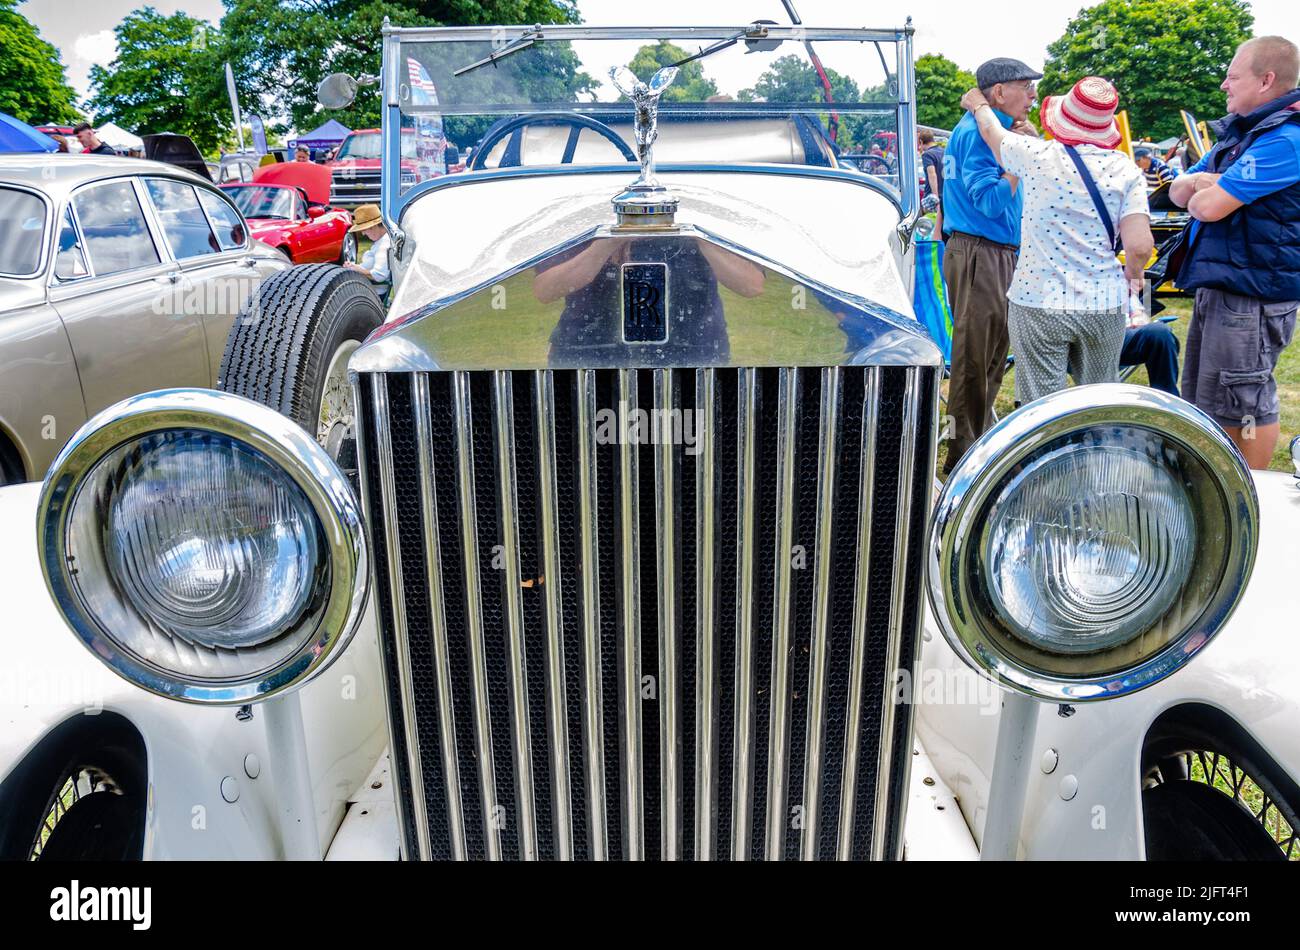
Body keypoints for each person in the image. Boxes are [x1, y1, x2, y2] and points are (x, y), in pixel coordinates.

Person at [960, 75, 1154, 406]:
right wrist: (1133, 275)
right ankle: (1093, 454)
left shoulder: (1037, 155)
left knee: (1041, 407)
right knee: (1098, 401)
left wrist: (978, 104)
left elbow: (994, 135)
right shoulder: (1126, 170)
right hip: (1102, 301)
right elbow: (1139, 245)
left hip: (1039, 298)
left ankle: (1047, 456)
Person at [1169, 35, 1300, 469]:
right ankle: (1216, 489)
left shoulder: (1284, 140)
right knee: (1207, 399)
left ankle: (1250, 495)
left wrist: (1209, 187)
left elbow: (1205, 205)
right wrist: (1208, 185)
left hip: (1253, 294)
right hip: (1227, 285)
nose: (1224, 85)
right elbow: (1176, 191)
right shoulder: (1246, 133)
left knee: (1244, 403)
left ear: (1266, 81)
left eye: (1232, 76)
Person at [940, 57, 1041, 474]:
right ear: (999, 92)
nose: (1034, 95)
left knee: (992, 355)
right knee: (975, 360)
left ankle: (976, 445)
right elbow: (989, 200)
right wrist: (1017, 163)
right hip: (981, 251)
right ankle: (963, 459)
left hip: (992, 251)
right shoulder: (979, 136)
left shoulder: (996, 131)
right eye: (1026, 86)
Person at [343, 205, 391, 298]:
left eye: (364, 229)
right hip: (367, 290)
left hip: (373, 294)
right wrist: (354, 267)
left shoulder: (384, 244)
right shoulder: (380, 241)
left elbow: (379, 276)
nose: (363, 233)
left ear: (374, 226)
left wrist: (356, 269)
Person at [919, 129, 946, 234]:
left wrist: (935, 197)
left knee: (928, 231)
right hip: (946, 196)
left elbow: (932, 174)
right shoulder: (944, 151)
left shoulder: (927, 155)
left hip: (933, 198)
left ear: (921, 142)